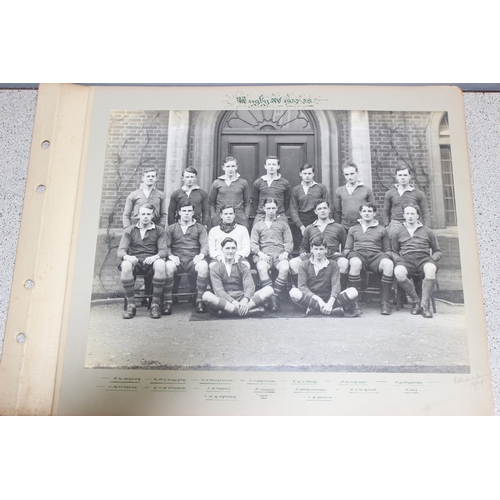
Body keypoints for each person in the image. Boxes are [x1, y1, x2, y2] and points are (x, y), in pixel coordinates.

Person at [117, 204, 167, 319]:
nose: (145, 217)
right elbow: (121, 250)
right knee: (125, 265)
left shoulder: (159, 230)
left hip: (151, 260)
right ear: (138, 215)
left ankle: (155, 304)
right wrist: (127, 257)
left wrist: (155, 257)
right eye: (143, 214)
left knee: (160, 264)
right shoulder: (130, 230)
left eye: (148, 214)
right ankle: (131, 305)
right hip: (135, 260)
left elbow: (163, 251)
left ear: (153, 215)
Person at [392, 203, 442, 318]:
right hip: (407, 260)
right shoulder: (397, 232)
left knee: (430, 269)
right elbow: (394, 251)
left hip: (423, 259)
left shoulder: (427, 231)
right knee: (398, 272)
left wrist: (432, 259)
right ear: (404, 215)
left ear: (417, 216)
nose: (410, 216)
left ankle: (424, 306)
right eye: (407, 214)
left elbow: (437, 251)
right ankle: (416, 301)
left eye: (412, 214)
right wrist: (398, 260)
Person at [289, 235, 360, 317]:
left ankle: (316, 309)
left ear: (326, 250)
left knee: (353, 292)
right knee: (293, 292)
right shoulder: (304, 265)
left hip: (329, 298)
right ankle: (330, 309)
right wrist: (319, 300)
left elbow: (336, 286)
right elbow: (302, 287)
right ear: (311, 249)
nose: (318, 252)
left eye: (321, 249)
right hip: (312, 298)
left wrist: (330, 303)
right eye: (316, 249)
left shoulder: (333, 264)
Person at [344, 203, 394, 316]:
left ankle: (385, 303)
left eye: (370, 211)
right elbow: (347, 249)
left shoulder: (382, 229)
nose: (367, 213)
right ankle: (353, 303)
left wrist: (387, 257)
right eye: (364, 211)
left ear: (374, 213)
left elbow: (387, 250)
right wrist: (349, 257)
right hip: (358, 254)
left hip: (375, 255)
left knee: (388, 264)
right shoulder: (353, 229)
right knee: (355, 263)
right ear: (360, 213)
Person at [203, 237, 273, 317]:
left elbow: (249, 287)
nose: (230, 251)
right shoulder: (215, 268)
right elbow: (219, 291)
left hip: (242, 297)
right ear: (222, 249)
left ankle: (231, 312)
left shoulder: (243, 266)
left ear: (236, 249)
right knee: (206, 295)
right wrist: (234, 302)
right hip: (226, 300)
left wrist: (245, 300)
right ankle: (247, 312)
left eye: (233, 248)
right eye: (227, 248)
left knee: (269, 289)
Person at [289, 199, 349, 290]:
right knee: (293, 263)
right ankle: (302, 292)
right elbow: (303, 246)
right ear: (316, 212)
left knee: (344, 263)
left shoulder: (339, 227)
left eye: (325, 208)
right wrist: (302, 252)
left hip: (332, 255)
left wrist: (341, 254)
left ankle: (341, 293)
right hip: (314, 255)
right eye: (320, 209)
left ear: (329, 210)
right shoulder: (310, 228)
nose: (323, 210)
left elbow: (346, 247)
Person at [163, 202, 209, 314]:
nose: (186, 213)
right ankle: (168, 301)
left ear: (193, 212)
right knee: (168, 266)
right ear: (179, 212)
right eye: (184, 211)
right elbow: (165, 246)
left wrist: (201, 255)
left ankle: (200, 300)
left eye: (189, 211)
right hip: (176, 259)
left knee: (203, 266)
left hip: (193, 259)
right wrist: (170, 256)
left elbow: (205, 245)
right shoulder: (171, 228)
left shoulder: (200, 228)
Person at [250, 198, 293, 311]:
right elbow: (253, 243)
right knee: (261, 267)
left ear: (277, 209)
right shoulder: (258, 225)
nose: (271, 211)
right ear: (264, 208)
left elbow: (289, 241)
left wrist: (286, 252)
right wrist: (259, 253)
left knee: (285, 267)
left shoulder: (283, 224)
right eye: (268, 208)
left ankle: (274, 297)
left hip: (279, 253)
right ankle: (272, 299)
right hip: (264, 253)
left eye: (273, 208)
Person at [383, 164, 431, 238]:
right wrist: (386, 226)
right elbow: (386, 212)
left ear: (409, 176)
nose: (403, 178)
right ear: (396, 177)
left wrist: (427, 228)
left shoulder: (418, 193)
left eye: (405, 175)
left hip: (413, 226)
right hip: (396, 226)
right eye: (400, 175)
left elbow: (425, 212)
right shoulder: (390, 193)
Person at [289, 163, 330, 250]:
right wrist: (301, 226)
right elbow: (293, 210)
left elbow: (327, 205)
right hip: (301, 220)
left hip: (316, 219)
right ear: (300, 174)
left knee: (317, 245)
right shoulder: (296, 190)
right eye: (305, 173)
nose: (307, 176)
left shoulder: (321, 188)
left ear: (313, 174)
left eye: (309, 173)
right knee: (302, 247)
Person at [209, 156, 251, 229]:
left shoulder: (243, 183)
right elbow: (211, 202)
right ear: (223, 167)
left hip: (239, 216)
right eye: (228, 166)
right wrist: (213, 215)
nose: (230, 169)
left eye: (233, 166)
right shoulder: (217, 183)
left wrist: (246, 215)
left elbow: (247, 202)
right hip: (220, 216)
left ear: (236, 167)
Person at [333, 161, 375, 231]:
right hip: (345, 226)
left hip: (362, 225)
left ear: (357, 173)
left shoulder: (366, 190)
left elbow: (373, 209)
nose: (350, 177)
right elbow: (337, 211)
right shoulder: (339, 191)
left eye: (352, 174)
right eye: (347, 174)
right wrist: (338, 227)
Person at [252, 156, 291, 221]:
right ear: (265, 166)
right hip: (261, 216)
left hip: (279, 216)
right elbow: (254, 201)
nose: (271, 167)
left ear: (278, 166)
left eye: (274, 164)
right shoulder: (258, 182)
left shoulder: (285, 183)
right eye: (269, 164)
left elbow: (287, 202)